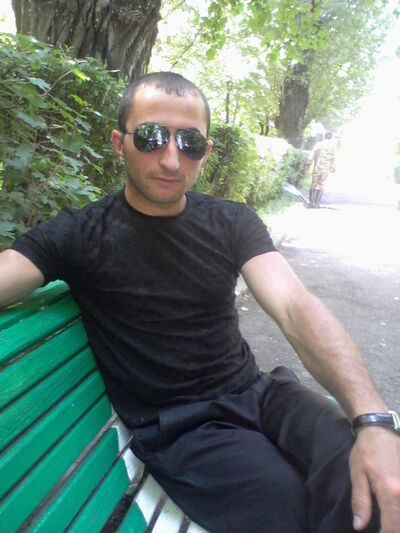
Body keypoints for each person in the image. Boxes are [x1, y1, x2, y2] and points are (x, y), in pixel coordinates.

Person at [0, 72, 399, 533]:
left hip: (262, 394)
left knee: (372, 476)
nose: (171, 159)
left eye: (189, 142)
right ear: (118, 143)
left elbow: (294, 306)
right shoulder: (79, 234)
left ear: (205, 152)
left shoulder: (232, 222)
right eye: (151, 137)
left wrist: (373, 420)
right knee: (287, 508)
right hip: (183, 430)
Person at [309, 131, 337, 208]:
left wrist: (309, 163)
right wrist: (333, 168)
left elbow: (312, 154)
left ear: (325, 136)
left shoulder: (319, 144)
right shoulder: (333, 147)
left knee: (313, 184)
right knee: (321, 185)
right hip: (326, 169)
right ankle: (317, 203)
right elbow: (334, 159)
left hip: (317, 167)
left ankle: (311, 203)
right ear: (331, 137)